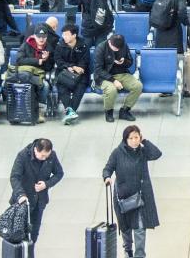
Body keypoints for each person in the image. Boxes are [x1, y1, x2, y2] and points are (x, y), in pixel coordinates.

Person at [103, 125, 162, 258]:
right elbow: (108, 168)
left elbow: (157, 154)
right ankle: (128, 250)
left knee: (140, 228)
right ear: (125, 139)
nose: (135, 140)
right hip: (123, 198)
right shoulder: (117, 153)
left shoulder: (143, 151)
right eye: (131, 138)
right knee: (126, 228)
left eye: (137, 137)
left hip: (140, 198)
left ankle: (140, 255)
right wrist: (107, 178)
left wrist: (145, 141)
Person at [9, 138, 63, 243]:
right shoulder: (23, 156)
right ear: (35, 150)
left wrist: (46, 184)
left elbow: (59, 173)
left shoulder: (51, 155)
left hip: (39, 202)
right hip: (23, 203)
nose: (44, 158)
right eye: (42, 155)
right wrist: (21, 195)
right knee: (18, 235)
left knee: (33, 235)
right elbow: (14, 177)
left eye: (47, 156)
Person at [93, 34, 143, 122]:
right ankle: (109, 112)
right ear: (109, 42)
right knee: (111, 90)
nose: (117, 50)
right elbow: (98, 70)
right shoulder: (100, 48)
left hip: (122, 73)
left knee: (138, 86)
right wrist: (113, 80)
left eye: (118, 48)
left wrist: (124, 62)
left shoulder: (123, 45)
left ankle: (125, 110)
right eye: (115, 48)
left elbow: (130, 62)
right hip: (104, 76)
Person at [53, 24, 89, 124]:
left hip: (81, 74)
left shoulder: (83, 45)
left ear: (74, 35)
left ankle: (70, 113)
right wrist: (70, 67)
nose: (64, 37)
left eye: (66, 35)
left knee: (79, 89)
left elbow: (85, 61)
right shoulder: (60, 45)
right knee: (62, 88)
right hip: (64, 72)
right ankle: (71, 113)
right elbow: (58, 60)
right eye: (63, 34)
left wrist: (80, 68)